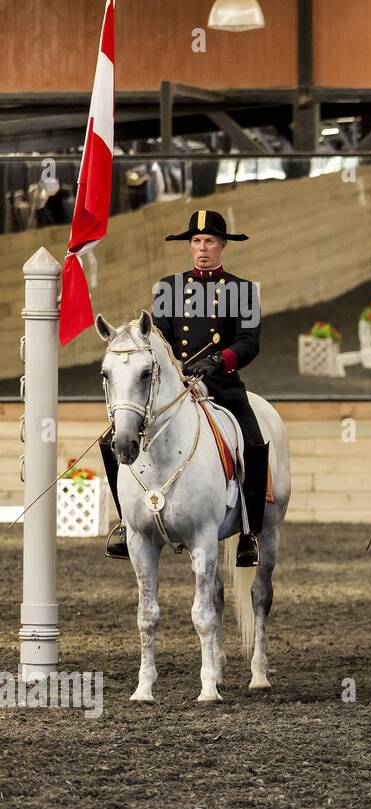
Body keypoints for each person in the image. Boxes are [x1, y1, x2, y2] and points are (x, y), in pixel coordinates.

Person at [102, 209, 268, 566]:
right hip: (175, 386)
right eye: (196, 241)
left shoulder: (244, 290)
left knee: (253, 442)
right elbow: (157, 338)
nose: (202, 248)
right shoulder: (167, 288)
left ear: (223, 245)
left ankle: (250, 532)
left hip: (221, 383)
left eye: (209, 241)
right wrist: (175, 371)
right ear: (189, 246)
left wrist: (219, 360)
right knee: (110, 437)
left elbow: (249, 342)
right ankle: (124, 520)